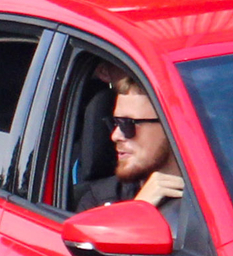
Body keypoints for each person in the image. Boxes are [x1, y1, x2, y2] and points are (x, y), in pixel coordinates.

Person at [73, 71, 186, 212]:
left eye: (128, 124)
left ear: (171, 127)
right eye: (115, 123)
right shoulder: (99, 202)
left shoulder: (217, 192)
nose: (115, 135)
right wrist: (138, 210)